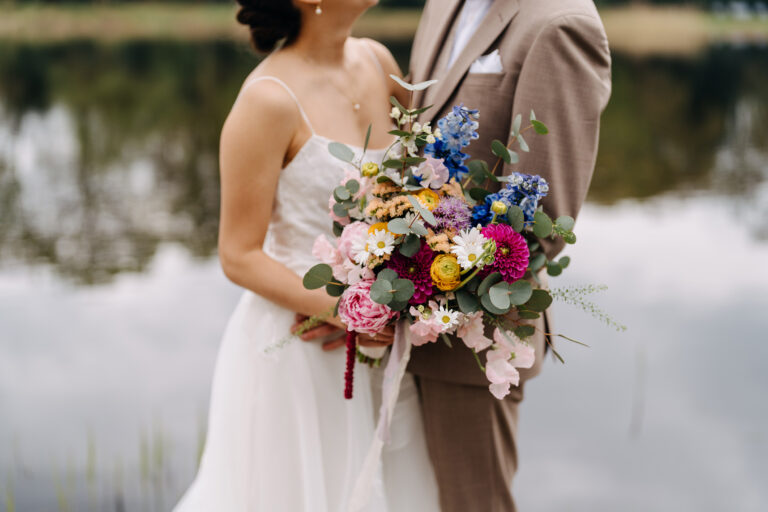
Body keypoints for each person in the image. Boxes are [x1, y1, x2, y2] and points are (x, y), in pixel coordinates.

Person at [173, 0, 439, 510]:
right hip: (303, 351)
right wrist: (345, 308)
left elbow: (418, 191)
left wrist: (420, 275)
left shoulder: (380, 62)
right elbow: (238, 253)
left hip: (384, 347)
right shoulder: (268, 100)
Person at [405, 0, 612, 511]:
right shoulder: (441, 5)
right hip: (399, 324)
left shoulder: (562, 23)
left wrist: (422, 276)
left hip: (476, 342)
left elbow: (538, 223)